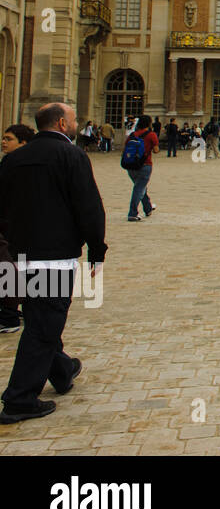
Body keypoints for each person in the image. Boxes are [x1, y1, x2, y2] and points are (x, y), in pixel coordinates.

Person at [0, 103, 106, 424]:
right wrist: (97, 250)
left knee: (37, 319)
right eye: (73, 120)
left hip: (17, 256)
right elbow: (89, 207)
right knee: (44, 326)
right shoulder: (71, 156)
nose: (75, 124)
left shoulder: (12, 160)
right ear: (62, 123)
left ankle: (62, 371)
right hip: (53, 259)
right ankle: (19, 399)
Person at [0, 126, 35, 334]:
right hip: (13, 224)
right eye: (3, 138)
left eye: (9, 139)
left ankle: (9, 314)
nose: (4, 142)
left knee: (10, 268)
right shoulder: (11, 163)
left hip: (14, 225)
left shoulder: (18, 166)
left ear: (23, 143)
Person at [124, 115, 159, 221]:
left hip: (131, 166)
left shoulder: (132, 135)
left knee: (140, 186)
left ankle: (148, 208)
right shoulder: (151, 135)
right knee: (139, 188)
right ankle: (132, 213)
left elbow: (126, 148)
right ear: (149, 124)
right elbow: (156, 150)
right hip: (145, 165)